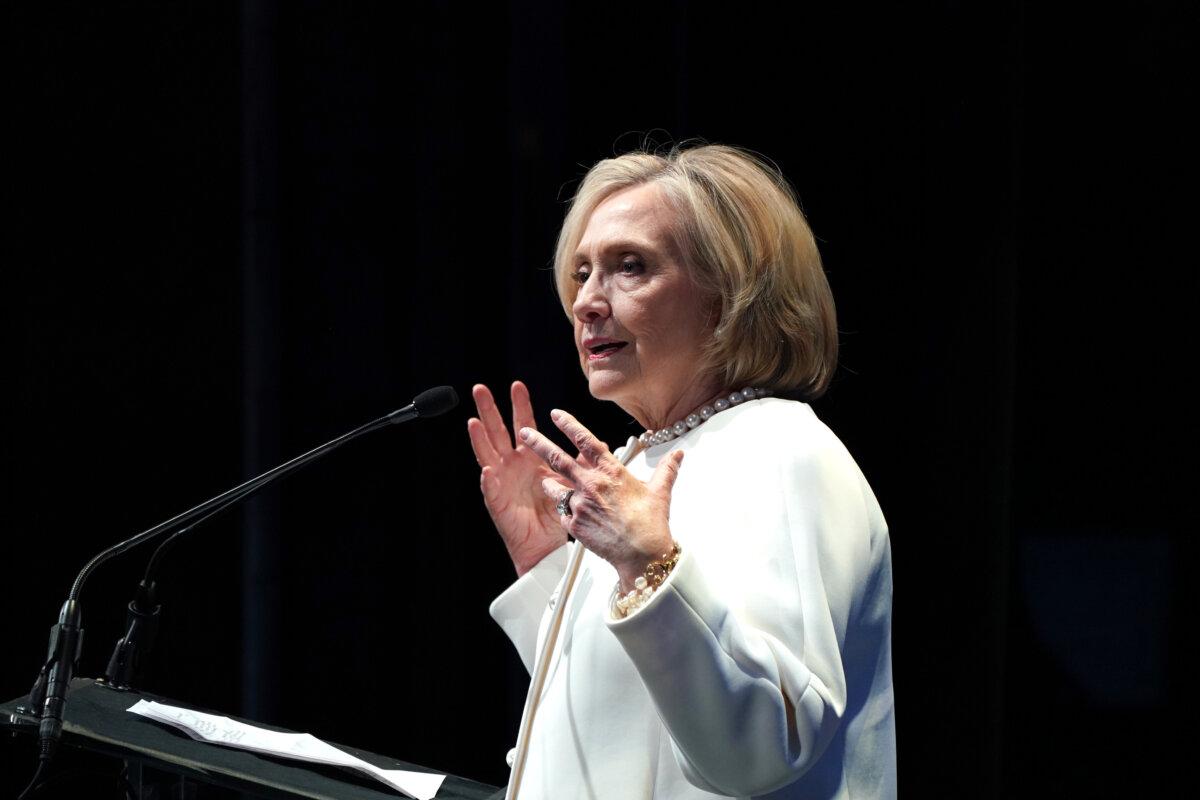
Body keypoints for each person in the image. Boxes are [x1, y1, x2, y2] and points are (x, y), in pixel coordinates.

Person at [467, 144, 895, 799]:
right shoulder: (647, 459)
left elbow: (763, 742)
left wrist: (647, 566)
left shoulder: (780, 452)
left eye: (629, 266)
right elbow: (624, 726)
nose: (586, 301)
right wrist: (549, 568)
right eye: (581, 272)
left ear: (731, 292)